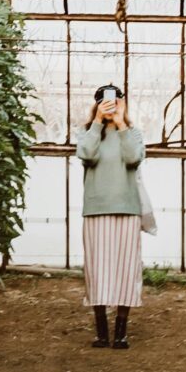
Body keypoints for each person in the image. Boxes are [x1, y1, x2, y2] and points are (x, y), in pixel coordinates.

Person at [76, 83, 146, 349]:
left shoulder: (134, 134)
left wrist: (121, 125)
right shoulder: (86, 133)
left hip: (128, 208)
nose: (110, 105)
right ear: (96, 104)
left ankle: (121, 332)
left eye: (115, 101)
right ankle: (101, 332)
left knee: (126, 269)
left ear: (122, 104)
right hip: (96, 209)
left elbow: (133, 159)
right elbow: (86, 154)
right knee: (97, 269)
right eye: (104, 102)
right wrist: (97, 123)